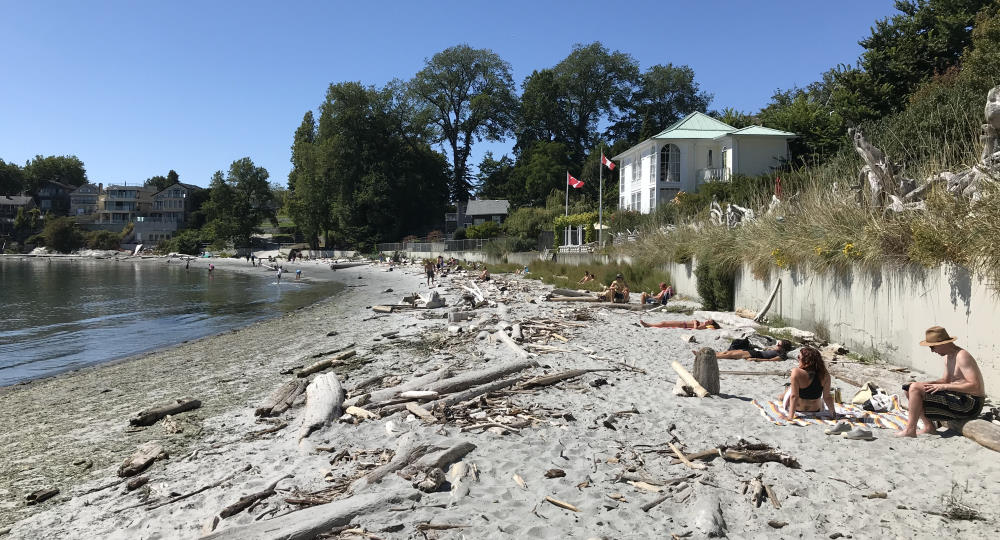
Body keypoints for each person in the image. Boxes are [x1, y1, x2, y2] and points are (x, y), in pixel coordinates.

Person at [896, 326, 986, 437]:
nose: (932, 351)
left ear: (942, 344)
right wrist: (925, 384)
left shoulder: (962, 356)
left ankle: (910, 430)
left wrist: (945, 387)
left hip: (971, 404)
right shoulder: (948, 357)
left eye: (933, 347)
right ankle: (929, 427)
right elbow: (945, 380)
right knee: (909, 388)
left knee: (915, 388)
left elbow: (975, 386)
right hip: (958, 397)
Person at [780, 347, 837, 420]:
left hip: (799, 409)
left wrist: (790, 416)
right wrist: (833, 414)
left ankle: (782, 396)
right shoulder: (825, 374)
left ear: (806, 360)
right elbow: (827, 397)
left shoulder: (796, 372)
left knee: (788, 391)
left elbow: (794, 396)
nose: (798, 359)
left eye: (799, 357)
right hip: (816, 409)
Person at [715, 338, 793, 361]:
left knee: (730, 355)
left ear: (783, 348)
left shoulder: (782, 355)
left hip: (756, 354)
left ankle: (714, 356)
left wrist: (756, 359)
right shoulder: (776, 350)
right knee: (728, 352)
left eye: (779, 344)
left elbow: (770, 360)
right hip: (755, 351)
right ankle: (713, 354)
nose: (777, 344)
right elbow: (769, 349)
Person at [640, 318, 719, 330]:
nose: (707, 321)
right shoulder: (703, 323)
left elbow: (695, 328)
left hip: (682, 324)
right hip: (682, 323)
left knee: (664, 323)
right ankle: (648, 324)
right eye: (708, 319)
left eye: (709, 322)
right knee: (663, 323)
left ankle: (648, 325)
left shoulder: (703, 326)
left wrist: (695, 321)